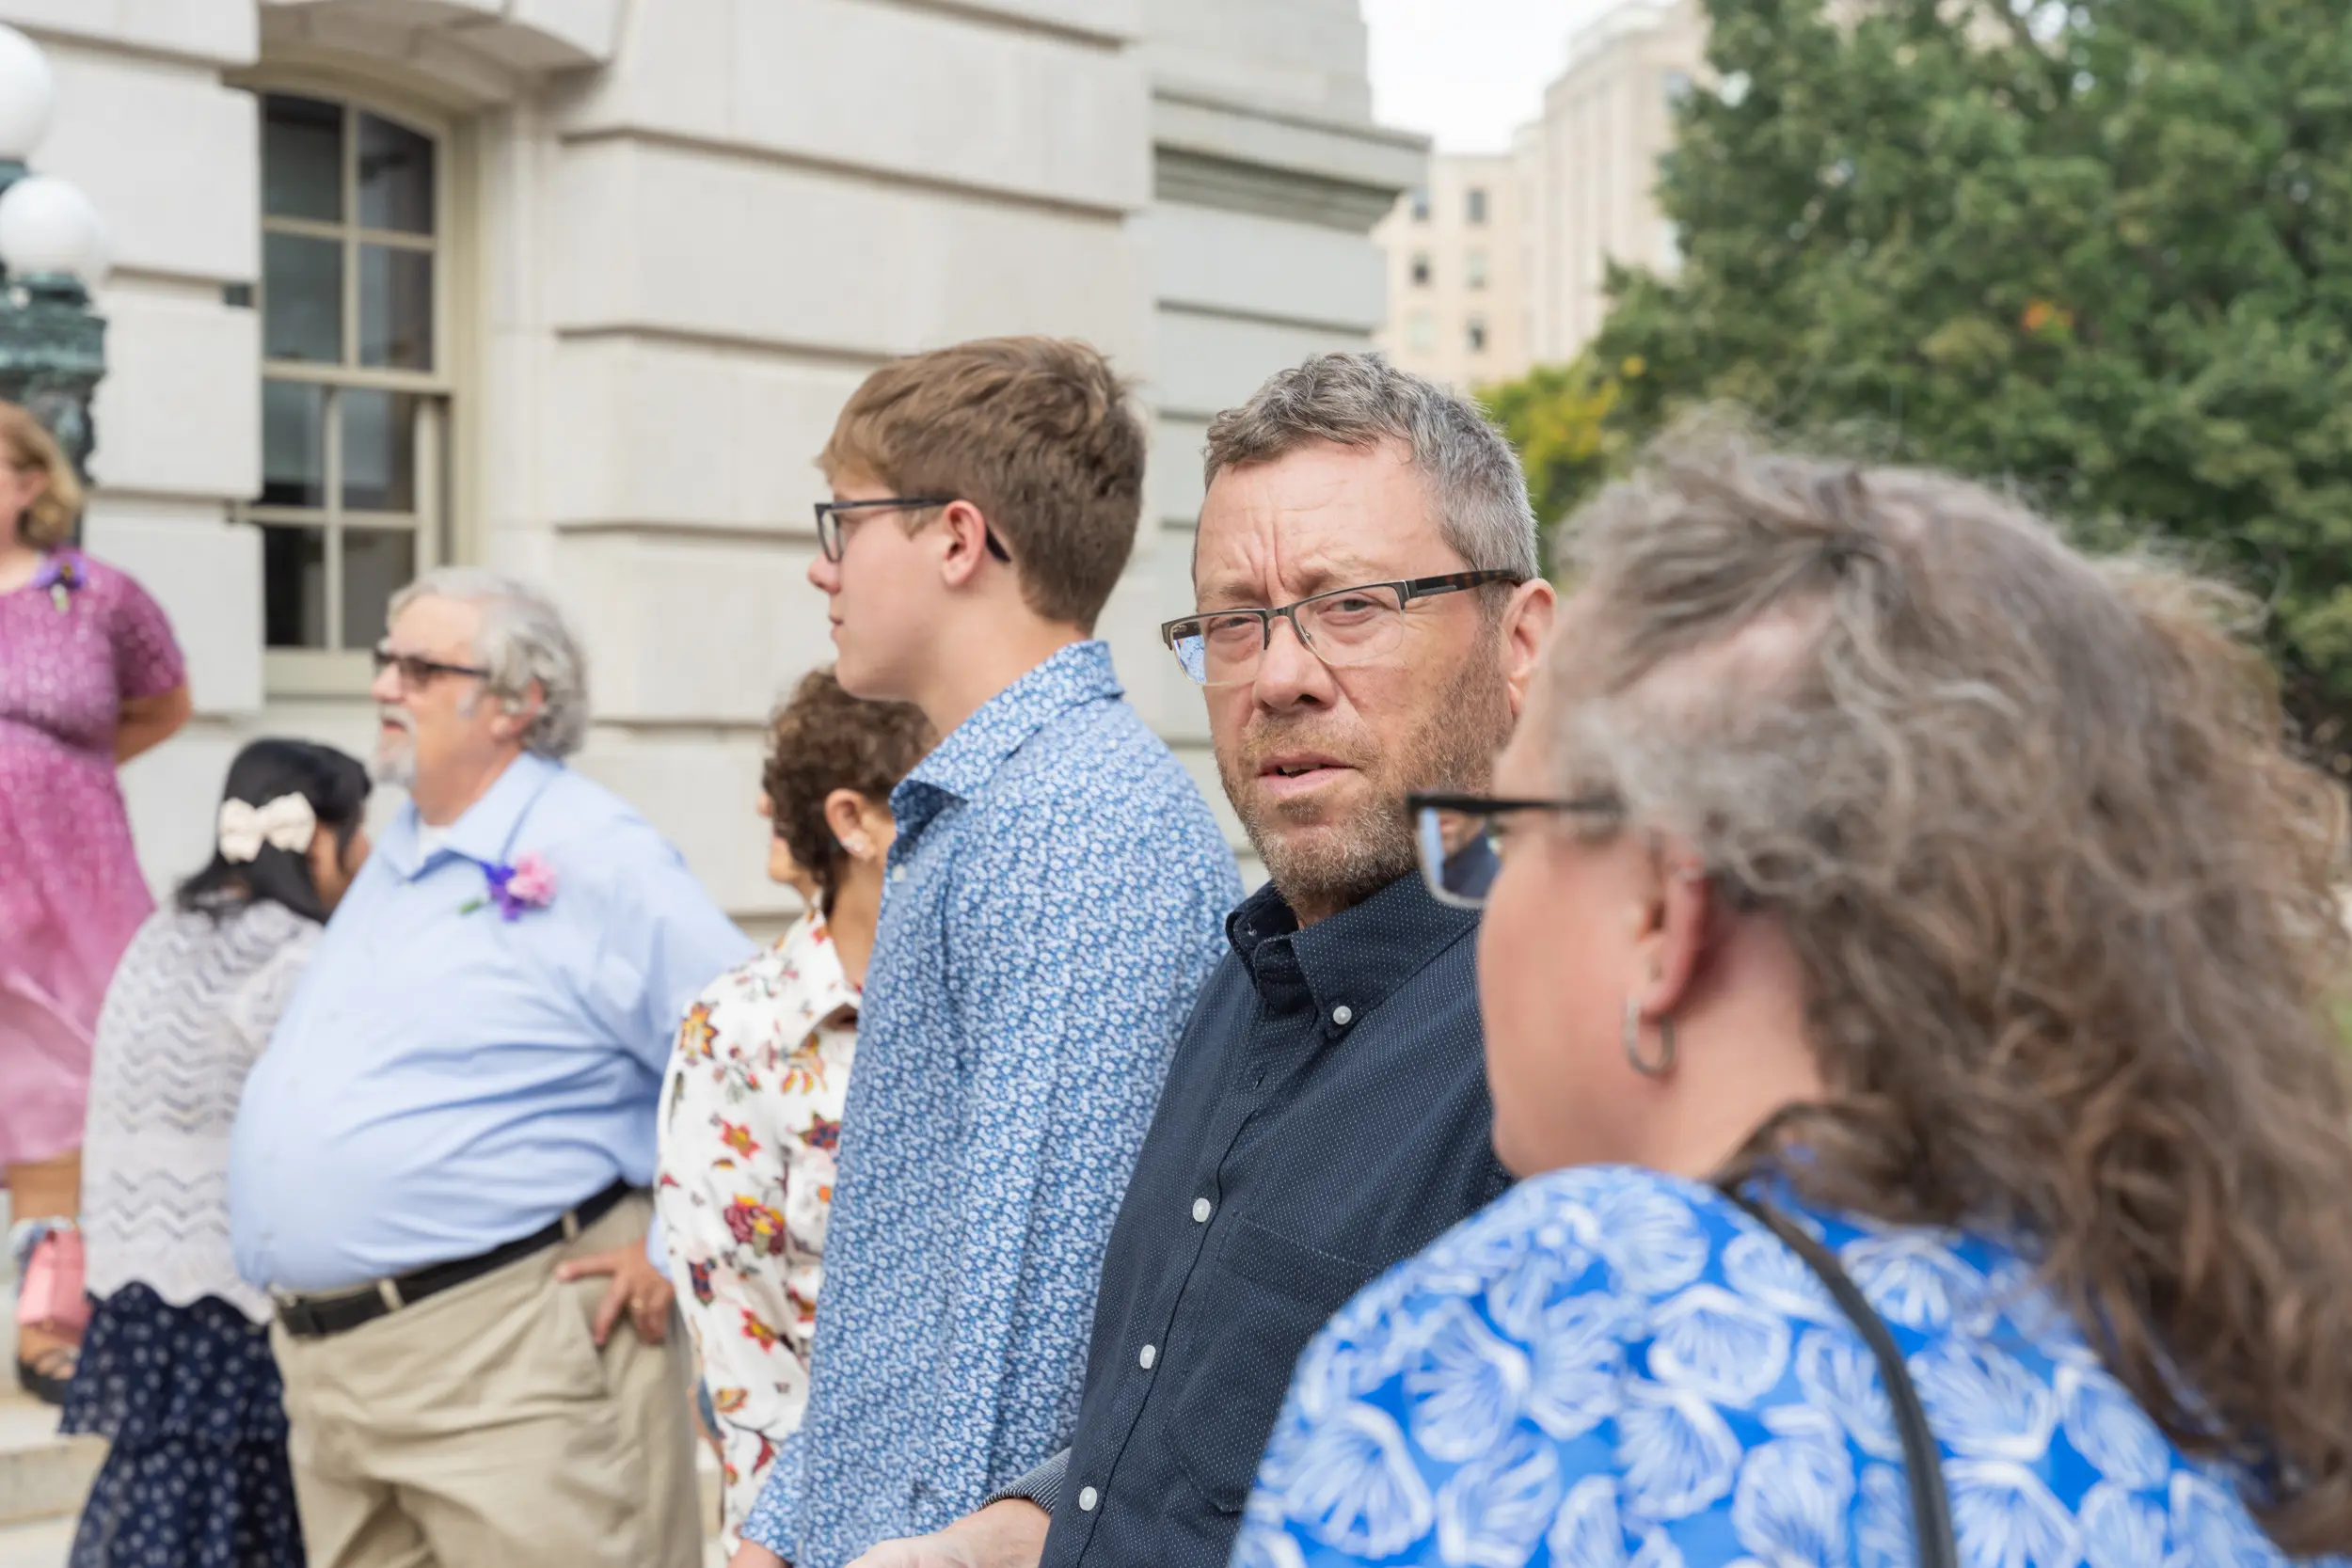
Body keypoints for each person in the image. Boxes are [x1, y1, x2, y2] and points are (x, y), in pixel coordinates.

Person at [1236, 431, 2352, 1565]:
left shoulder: (1554, 1340)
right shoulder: (2222, 1351)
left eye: (1509, 833)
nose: (1483, 898)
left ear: (1663, 918)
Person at [843, 351, 1556, 1568]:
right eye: (1234, 620)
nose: (1278, 675)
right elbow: (1197, 1424)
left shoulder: (1553, 1051)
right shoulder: (1248, 974)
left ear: (1519, 635)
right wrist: (1017, 1526)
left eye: (1352, 606)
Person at [732, 338, 1240, 1568]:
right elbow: (906, 1280)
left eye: (843, 519)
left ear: (958, 539)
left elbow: (1039, 1315)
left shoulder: (1073, 824)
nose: (821, 562)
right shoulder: (990, 802)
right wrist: (787, 1527)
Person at [228, 568, 754, 1568]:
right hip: (333, 1375)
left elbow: (753, 1064)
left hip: (506, 1363)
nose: (385, 684)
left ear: (519, 704)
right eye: (387, 659)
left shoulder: (597, 853)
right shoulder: (406, 843)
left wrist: (671, 1247)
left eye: (422, 667)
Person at [64, 739, 373, 1568]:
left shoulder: (166, 930)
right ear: (318, 839)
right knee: (243, 1519)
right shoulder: (294, 956)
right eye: (363, 831)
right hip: (234, 1295)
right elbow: (336, 1127)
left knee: (166, 1507)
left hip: (139, 1279)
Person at [660, 667, 932, 1550]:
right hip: (821, 1528)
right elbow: (738, 1332)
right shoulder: (738, 1029)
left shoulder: (1014, 995)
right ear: (856, 824)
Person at [0, 401, 191, 1402]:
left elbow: (165, 699)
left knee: (64, 1094)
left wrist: (54, 774)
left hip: (70, 885)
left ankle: (50, 1317)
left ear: (30, 480)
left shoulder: (97, 594)